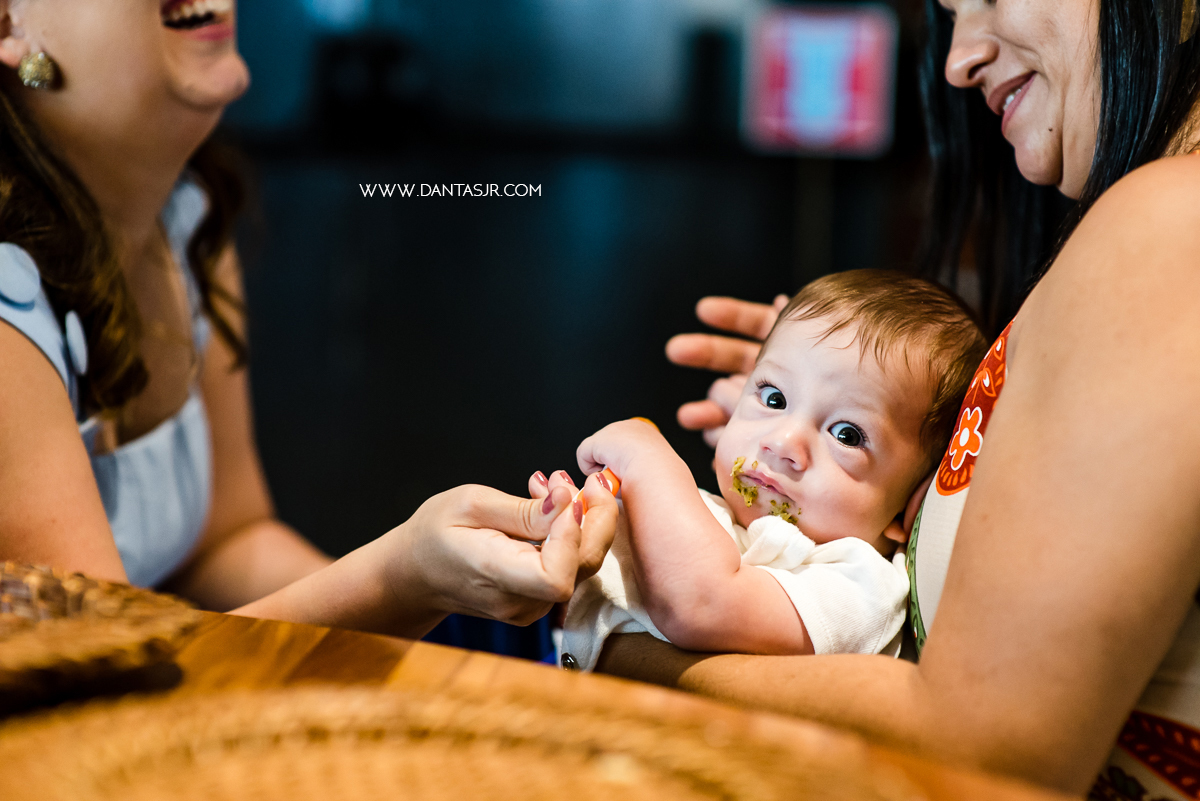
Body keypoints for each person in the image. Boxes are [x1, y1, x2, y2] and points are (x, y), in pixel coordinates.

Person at [593, 1, 1200, 798]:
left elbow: (989, 748)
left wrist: (619, 644)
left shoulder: (1170, 219)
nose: (958, 60)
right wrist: (838, 402)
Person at [0, 1, 617, 638]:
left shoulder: (187, 225)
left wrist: (455, 581)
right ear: (8, 23)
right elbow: (97, 665)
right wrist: (404, 578)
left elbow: (224, 547)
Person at [558, 271, 986, 672]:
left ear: (910, 507)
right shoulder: (712, 516)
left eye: (847, 435)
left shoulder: (862, 588)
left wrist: (650, 464)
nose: (781, 443)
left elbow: (701, 605)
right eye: (774, 398)